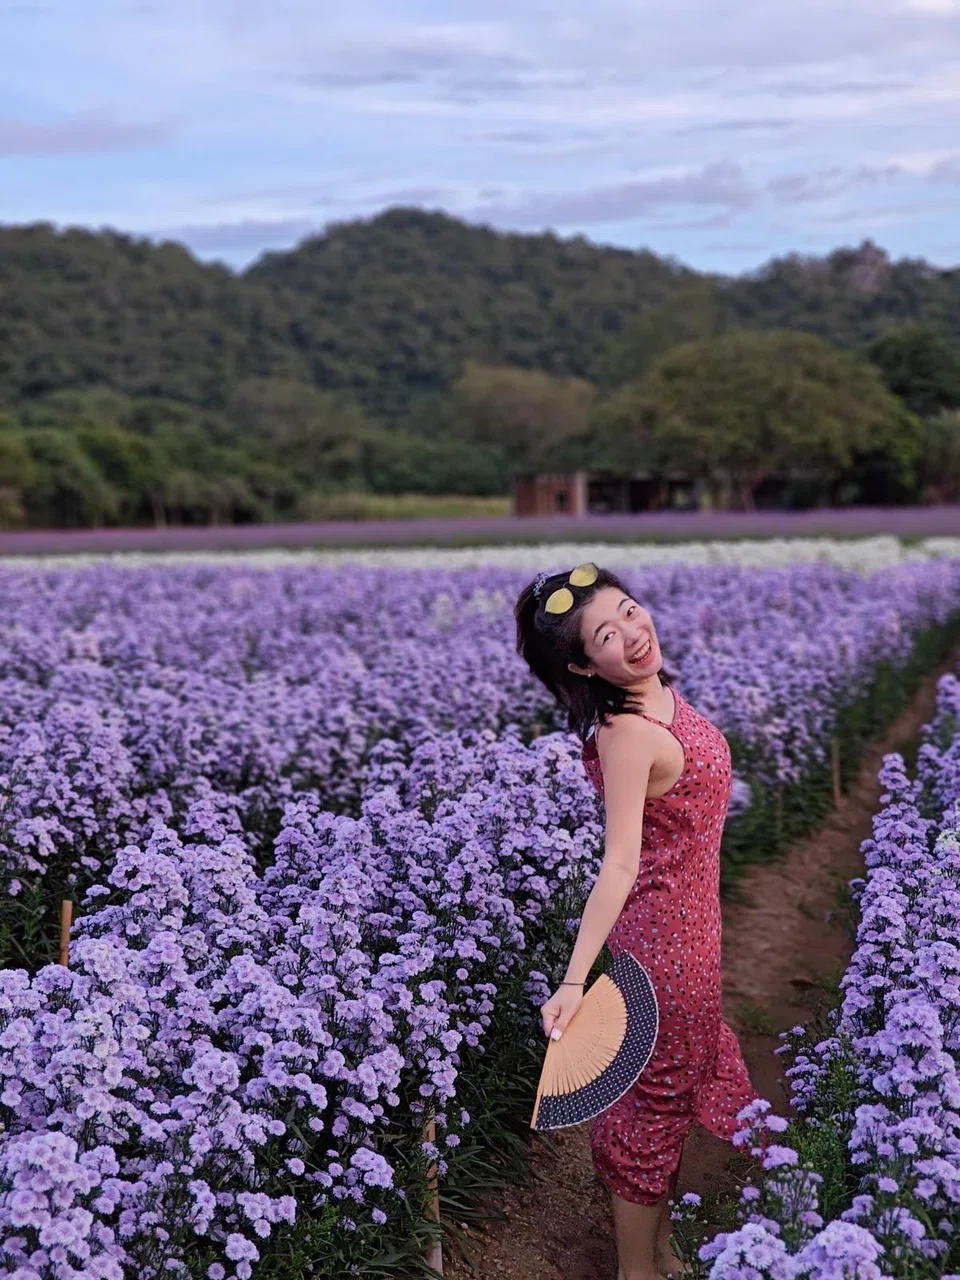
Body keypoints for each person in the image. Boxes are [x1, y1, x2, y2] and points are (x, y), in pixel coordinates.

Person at [514, 563, 764, 1280]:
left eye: (629, 610)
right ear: (581, 663)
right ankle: (638, 1271)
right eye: (606, 634)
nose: (631, 632)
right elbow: (619, 865)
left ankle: (660, 1251)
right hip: (663, 956)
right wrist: (572, 980)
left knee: (671, 1098)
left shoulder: (658, 697)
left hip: (693, 940)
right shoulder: (626, 735)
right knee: (652, 1114)